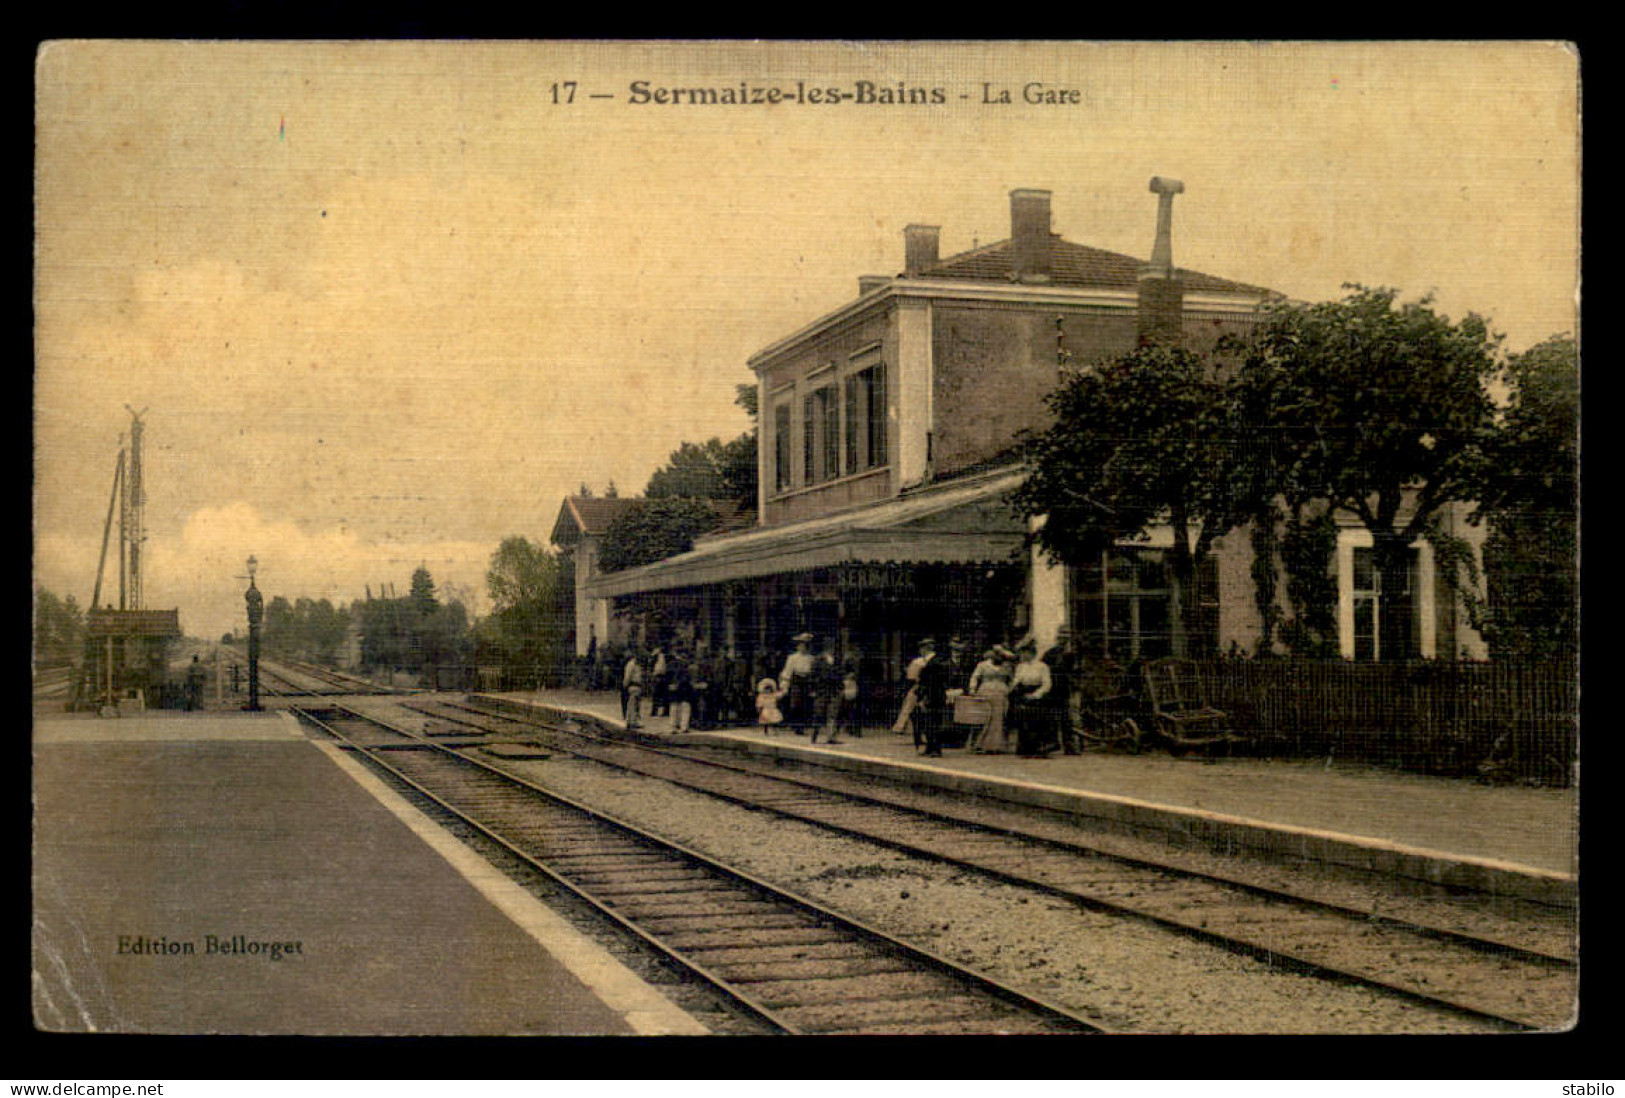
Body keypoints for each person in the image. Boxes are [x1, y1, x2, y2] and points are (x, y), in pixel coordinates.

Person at [1009, 638, 1055, 757]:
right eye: (1022, 653)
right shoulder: (1020, 667)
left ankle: (1039, 749)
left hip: (1037, 696)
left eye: (1025, 653)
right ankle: (1026, 749)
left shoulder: (1042, 666)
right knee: (1023, 722)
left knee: (1038, 722)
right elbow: (1016, 680)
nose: (1023, 655)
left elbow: (1047, 684)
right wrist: (1012, 688)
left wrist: (1035, 695)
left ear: (1032, 653)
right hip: (1023, 694)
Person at [1042, 626, 1083, 755]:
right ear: (1058, 637)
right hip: (1052, 688)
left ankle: (1070, 745)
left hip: (1065, 689)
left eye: (1066, 636)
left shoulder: (1073, 654)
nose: (1063, 639)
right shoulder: (1050, 653)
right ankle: (1053, 743)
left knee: (1067, 718)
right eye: (1062, 636)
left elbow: (1076, 672)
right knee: (1052, 717)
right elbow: (1043, 669)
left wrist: (1075, 682)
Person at [968, 645, 1016, 753]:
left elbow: (1012, 680)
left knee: (999, 718)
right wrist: (972, 689)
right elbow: (975, 677)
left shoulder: (1007, 666)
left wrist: (1009, 689)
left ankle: (997, 746)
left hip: (1001, 693)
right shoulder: (983, 665)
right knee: (984, 718)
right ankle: (979, 744)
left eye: (1001, 655)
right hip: (985, 691)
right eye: (996, 654)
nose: (998, 657)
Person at [912, 637, 953, 758]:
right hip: (936, 695)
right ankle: (930, 747)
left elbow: (930, 682)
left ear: (925, 649)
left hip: (932, 695)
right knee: (930, 723)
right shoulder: (938, 661)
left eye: (922, 648)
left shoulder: (934, 663)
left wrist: (923, 696)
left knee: (932, 723)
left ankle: (935, 749)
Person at [778, 633, 818, 736]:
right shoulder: (793, 658)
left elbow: (813, 672)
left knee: (805, 705)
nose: (803, 647)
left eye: (805, 645)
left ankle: (802, 726)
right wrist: (785, 684)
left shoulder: (811, 658)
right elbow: (788, 671)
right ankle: (795, 725)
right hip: (796, 681)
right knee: (796, 704)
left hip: (807, 682)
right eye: (801, 645)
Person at [809, 639, 843, 744]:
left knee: (832, 713)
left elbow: (840, 673)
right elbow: (813, 675)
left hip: (833, 690)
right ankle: (815, 734)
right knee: (819, 712)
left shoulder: (837, 660)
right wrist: (813, 689)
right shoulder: (818, 660)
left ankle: (831, 736)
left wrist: (840, 687)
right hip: (822, 689)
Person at [668, 646, 695, 732]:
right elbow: (685, 677)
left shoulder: (671, 663)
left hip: (673, 687)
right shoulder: (685, 664)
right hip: (684, 688)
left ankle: (673, 726)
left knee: (674, 707)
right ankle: (684, 726)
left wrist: (671, 684)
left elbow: (667, 676)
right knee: (685, 707)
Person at [622, 648, 646, 730]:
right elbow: (627, 676)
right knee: (633, 704)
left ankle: (632, 720)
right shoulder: (632, 664)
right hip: (633, 685)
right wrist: (625, 685)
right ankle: (632, 721)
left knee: (635, 704)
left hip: (636, 685)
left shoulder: (635, 664)